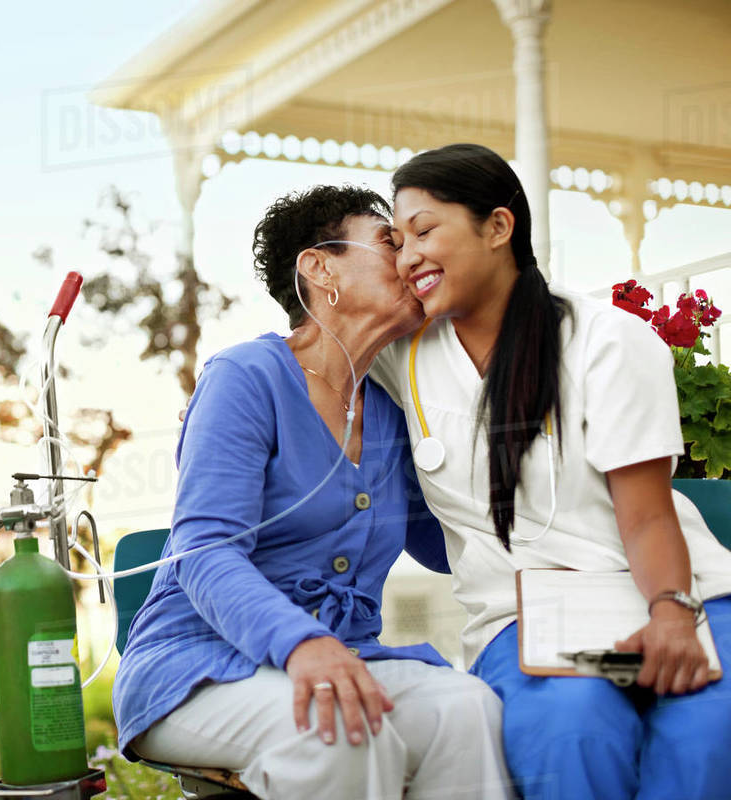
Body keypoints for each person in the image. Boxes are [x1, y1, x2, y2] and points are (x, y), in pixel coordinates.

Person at [112, 185, 514, 800]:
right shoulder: (246, 378)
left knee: (466, 709)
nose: (410, 260)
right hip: (198, 665)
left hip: (344, 659)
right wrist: (303, 643)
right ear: (318, 266)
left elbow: (446, 544)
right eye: (389, 242)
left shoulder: (391, 410)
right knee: (346, 731)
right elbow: (204, 549)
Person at [369, 142, 731, 800]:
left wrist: (671, 616)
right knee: (572, 732)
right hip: (525, 616)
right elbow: (315, 333)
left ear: (499, 227)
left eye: (425, 231)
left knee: (705, 736)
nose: (408, 256)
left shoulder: (608, 342)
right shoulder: (402, 353)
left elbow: (647, 514)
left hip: (678, 594)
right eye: (397, 242)